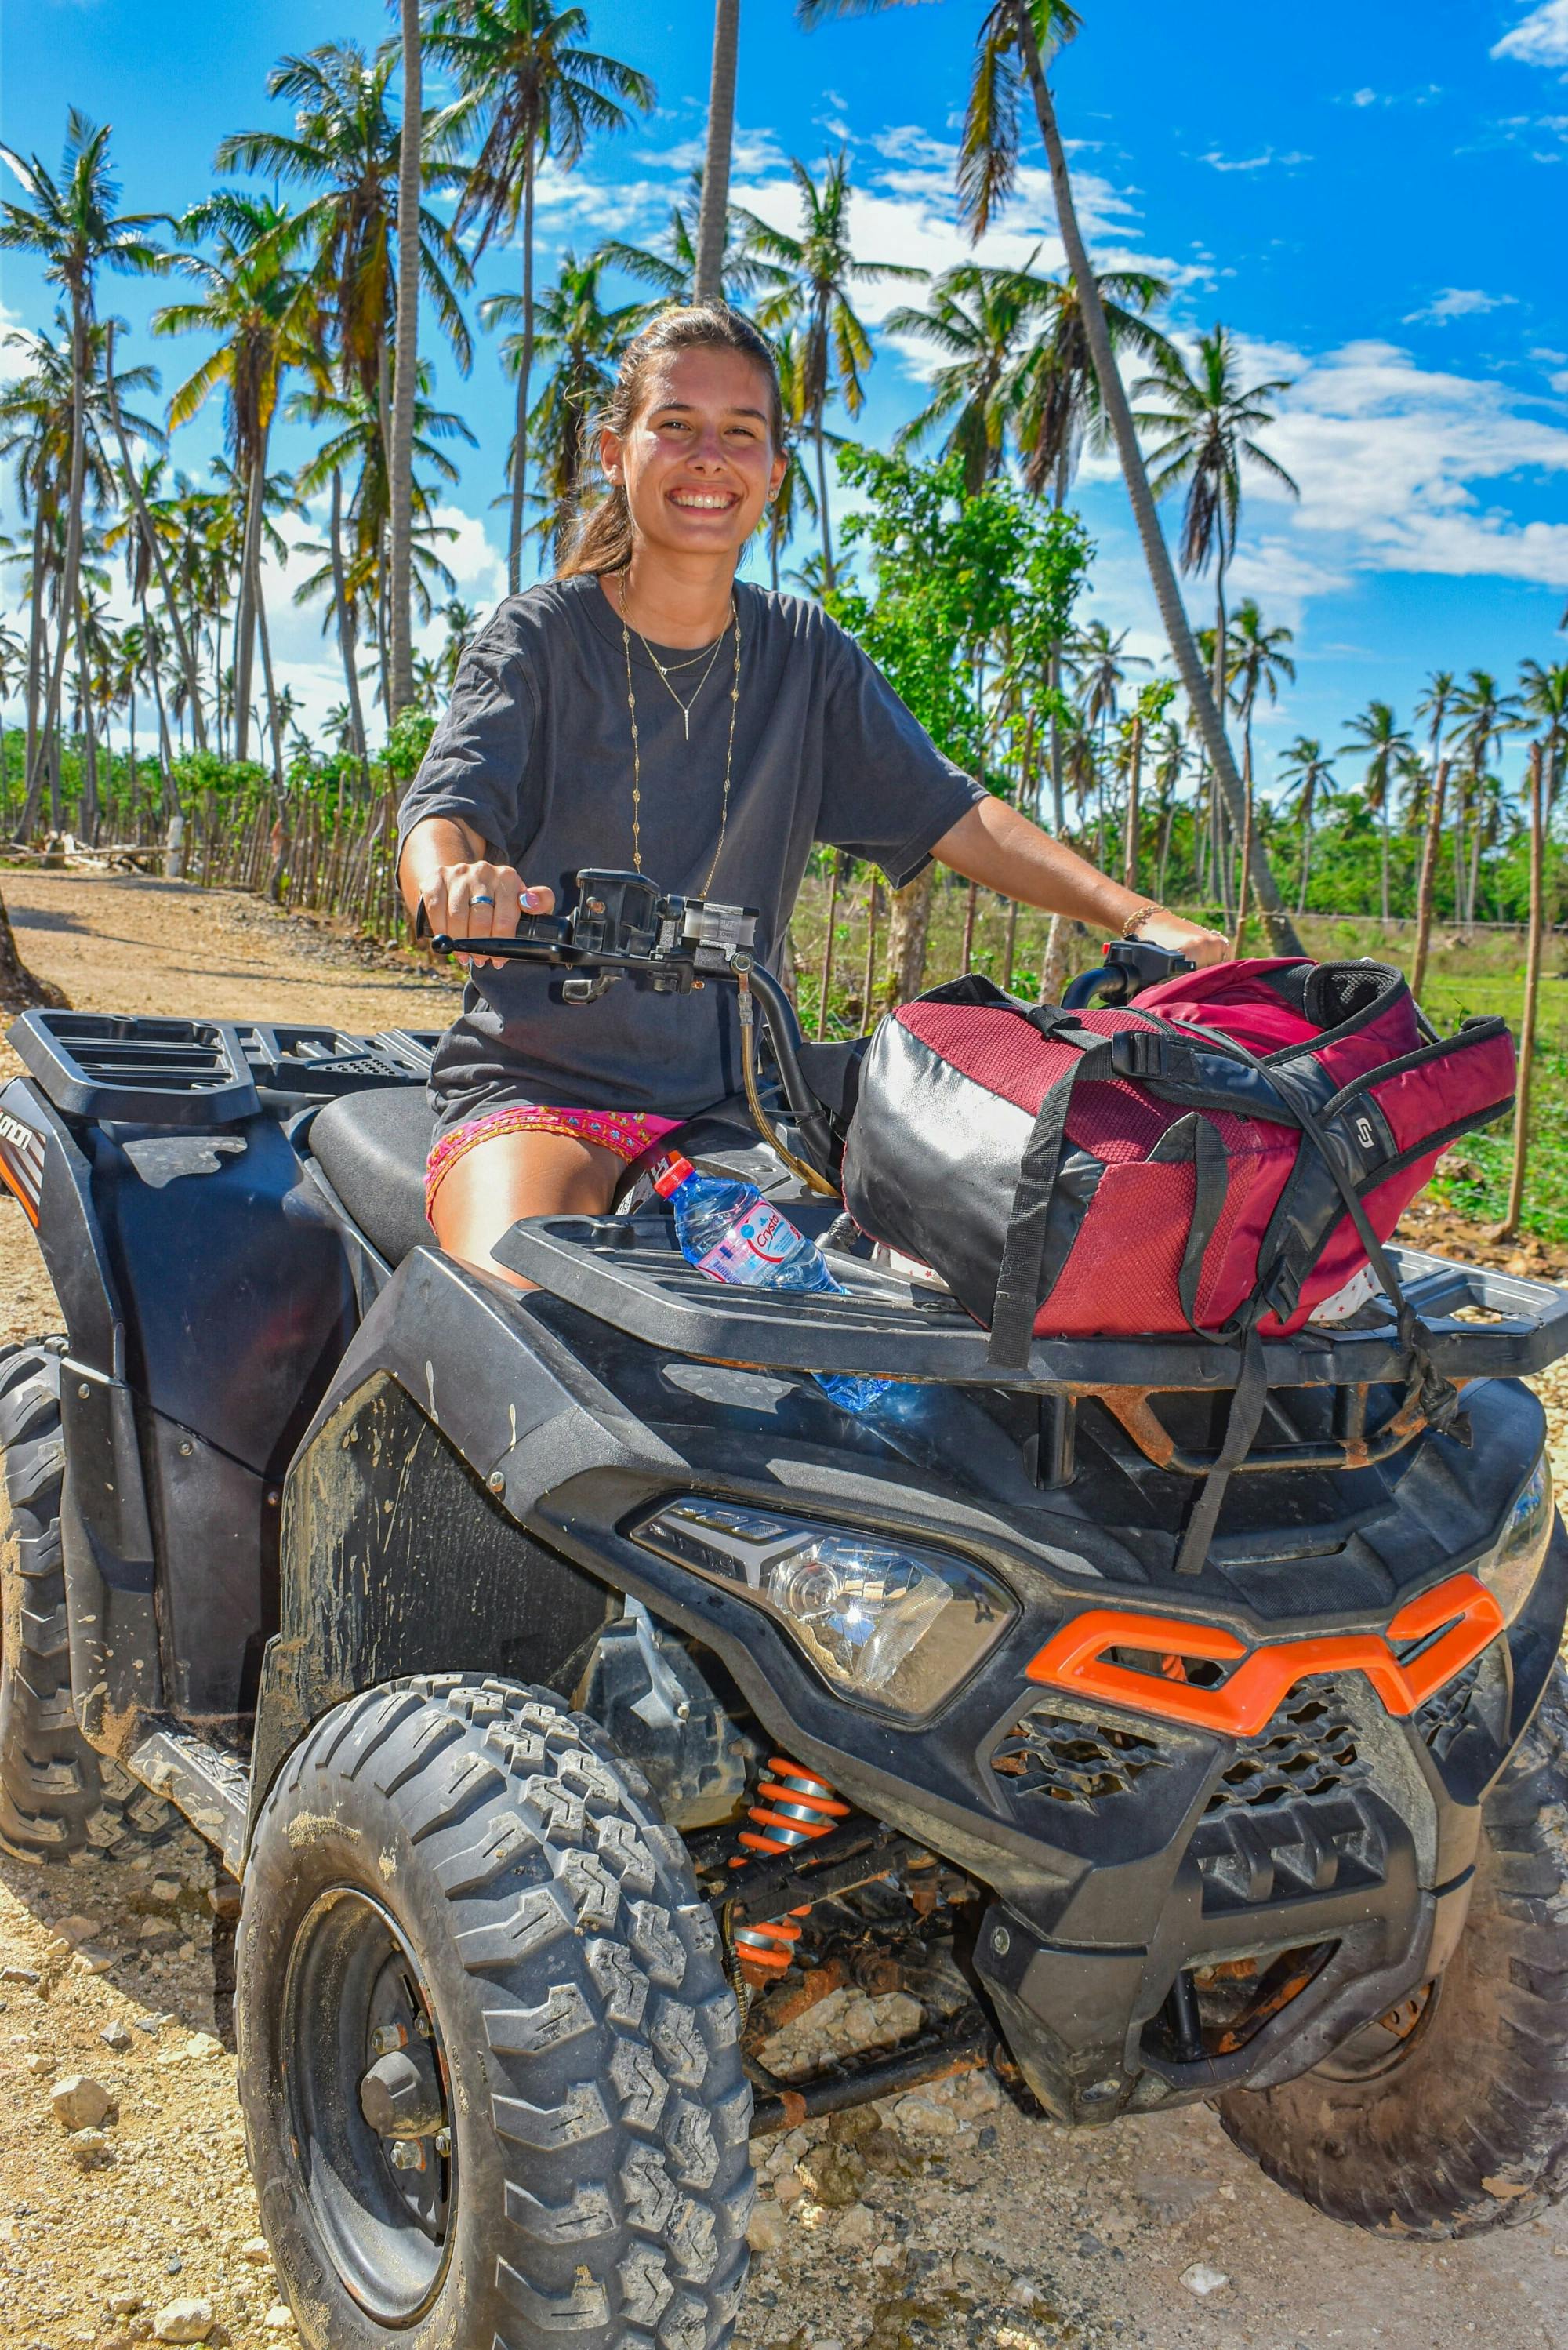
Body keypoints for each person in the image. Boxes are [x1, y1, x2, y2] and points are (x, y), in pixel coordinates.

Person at [397, 303, 1226, 1287]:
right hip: (539, 1083)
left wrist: (1139, 916)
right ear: (618, 453)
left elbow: (954, 814)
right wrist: (453, 882)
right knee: (521, 1298)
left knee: (885, 1328)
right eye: (676, 426)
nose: (709, 457)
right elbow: (445, 808)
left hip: (741, 1106)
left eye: (740, 433)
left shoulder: (801, 651)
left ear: (773, 476)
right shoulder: (540, 635)